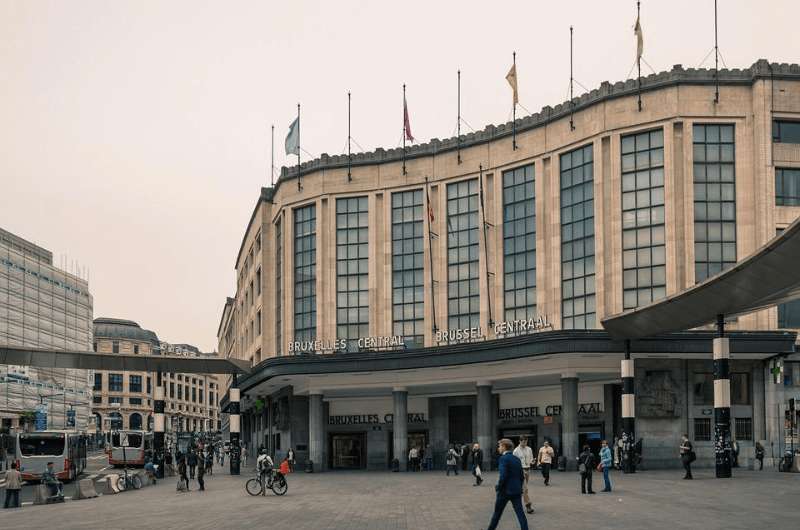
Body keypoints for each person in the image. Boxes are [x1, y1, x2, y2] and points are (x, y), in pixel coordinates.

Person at [485, 438, 529, 530]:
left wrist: (498, 487)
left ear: (504, 447)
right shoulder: (516, 459)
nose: (498, 448)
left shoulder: (503, 458)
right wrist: (519, 487)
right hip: (516, 490)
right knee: (520, 513)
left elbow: (503, 475)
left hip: (504, 491)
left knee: (497, 513)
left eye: (499, 446)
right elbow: (521, 476)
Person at [513, 437, 535, 514]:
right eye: (524, 442)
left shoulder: (529, 449)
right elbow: (514, 462)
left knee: (523, 489)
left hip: (528, 469)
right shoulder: (516, 451)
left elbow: (531, 459)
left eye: (526, 442)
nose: (525, 443)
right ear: (520, 441)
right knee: (525, 488)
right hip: (520, 470)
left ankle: (516, 501)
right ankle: (528, 505)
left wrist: (532, 461)